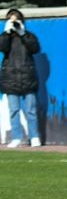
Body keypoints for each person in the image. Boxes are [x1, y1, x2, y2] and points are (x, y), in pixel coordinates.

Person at [0, 8, 41, 148]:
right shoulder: (5, 37)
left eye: (16, 19)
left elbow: (35, 49)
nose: (14, 22)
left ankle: (34, 137)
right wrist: (6, 32)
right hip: (11, 78)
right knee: (14, 111)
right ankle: (16, 137)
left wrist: (22, 33)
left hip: (27, 77)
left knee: (31, 110)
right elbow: (2, 48)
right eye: (11, 19)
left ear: (22, 21)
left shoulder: (29, 36)